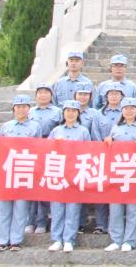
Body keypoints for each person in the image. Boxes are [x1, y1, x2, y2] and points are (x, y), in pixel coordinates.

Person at [0, 95, 42, 251]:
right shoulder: (6, 127)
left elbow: (39, 147)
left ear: (29, 109)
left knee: (21, 208)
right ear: (13, 109)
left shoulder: (35, 127)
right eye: (18, 107)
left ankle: (15, 240)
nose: (21, 109)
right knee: (4, 207)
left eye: (24, 106)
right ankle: (2, 239)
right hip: (7, 171)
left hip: (25, 171)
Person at [104, 97, 136, 252]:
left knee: (133, 208)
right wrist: (108, 140)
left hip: (135, 173)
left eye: (132, 108)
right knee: (115, 208)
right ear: (121, 111)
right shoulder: (115, 128)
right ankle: (116, 239)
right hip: (117, 172)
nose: (129, 111)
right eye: (126, 108)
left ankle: (129, 240)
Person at [46, 100, 91, 253]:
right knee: (57, 209)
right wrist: (55, 144)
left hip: (75, 173)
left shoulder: (83, 131)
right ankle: (57, 239)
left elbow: (89, 151)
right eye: (67, 110)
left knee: (73, 209)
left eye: (74, 111)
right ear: (63, 113)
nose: (70, 113)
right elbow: (45, 150)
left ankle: (69, 239)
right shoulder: (56, 131)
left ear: (78, 113)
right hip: (58, 173)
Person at [90, 85, 124, 235]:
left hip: (123, 159)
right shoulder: (98, 115)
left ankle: (118, 224)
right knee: (101, 190)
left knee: (120, 191)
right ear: (106, 96)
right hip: (103, 157)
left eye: (117, 93)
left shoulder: (127, 112)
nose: (114, 96)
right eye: (111, 94)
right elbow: (95, 134)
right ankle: (101, 223)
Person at [26, 83, 59, 234]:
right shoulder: (29, 111)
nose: (43, 95)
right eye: (40, 92)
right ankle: (30, 221)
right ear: (36, 95)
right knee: (32, 188)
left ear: (51, 96)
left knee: (47, 187)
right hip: (31, 152)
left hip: (52, 152)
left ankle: (42, 221)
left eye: (46, 92)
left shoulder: (58, 112)